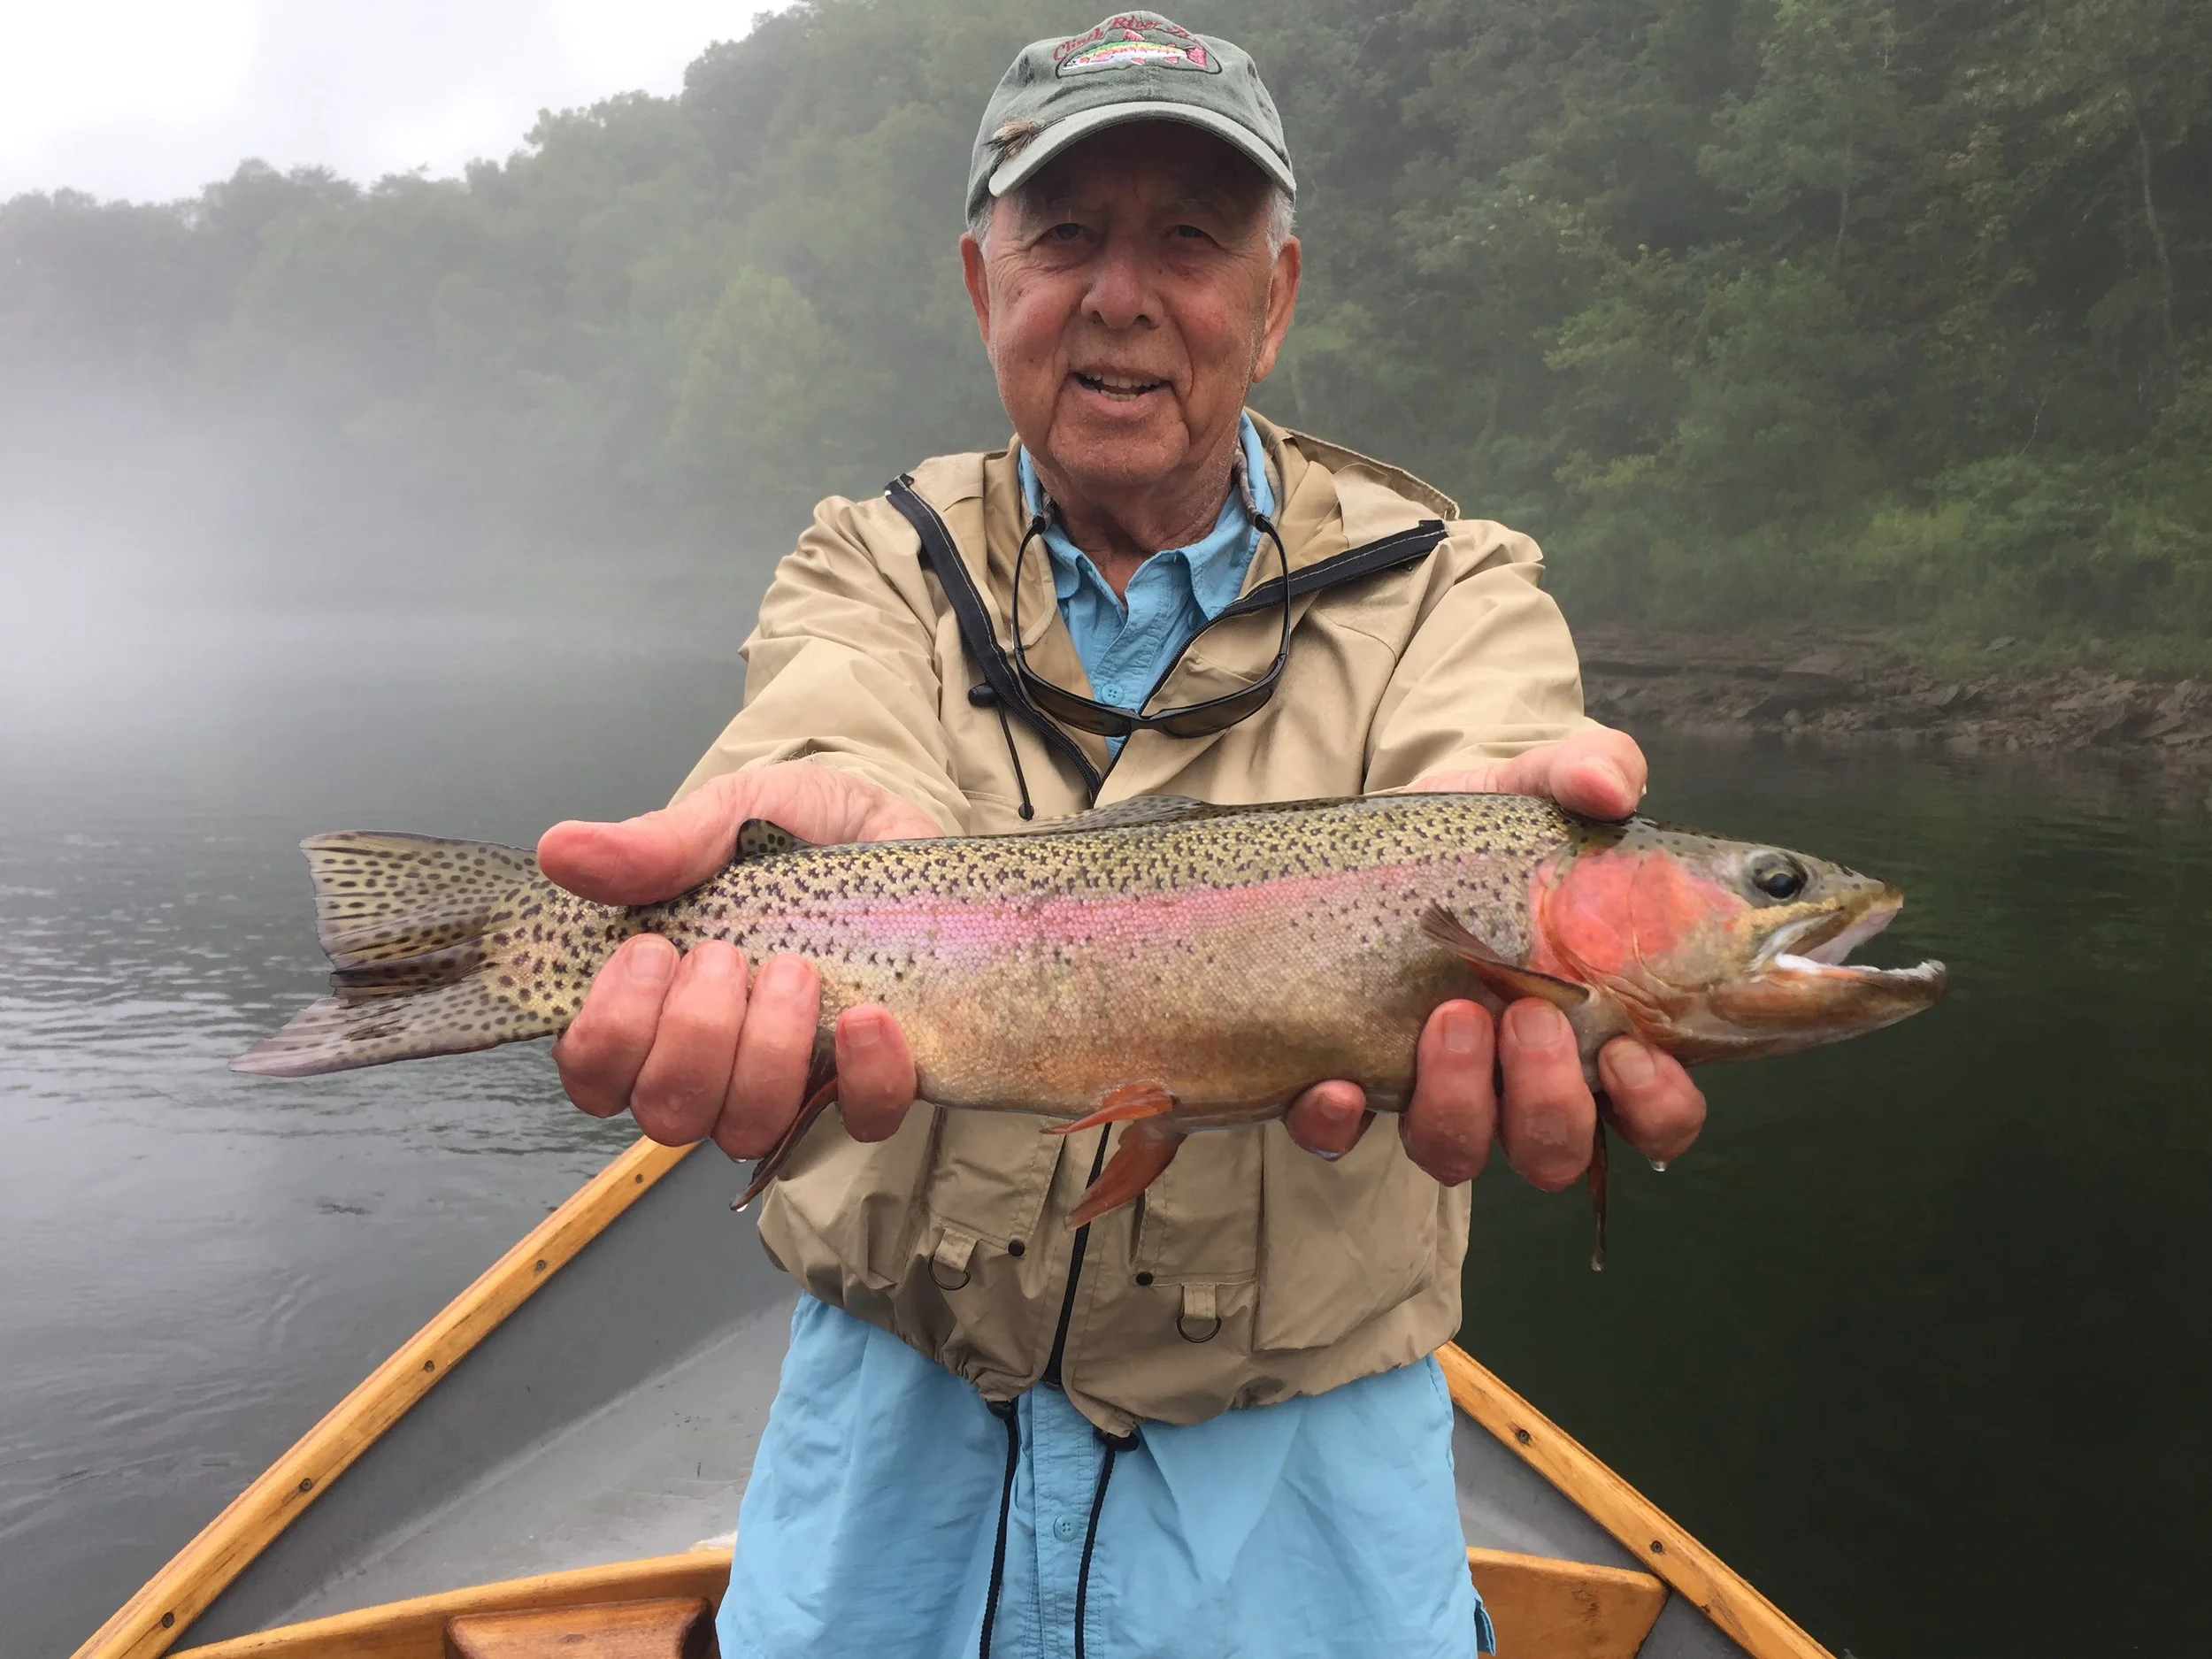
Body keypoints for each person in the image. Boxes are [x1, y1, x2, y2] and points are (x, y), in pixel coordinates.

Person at [539, 15, 1706, 1658]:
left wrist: (1501, 847)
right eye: (1066, 233)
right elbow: (827, 725)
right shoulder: (874, 556)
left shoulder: (1456, 582)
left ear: (1276, 297)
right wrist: (796, 819)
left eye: (1189, 239)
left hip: (1299, 1480)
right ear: (980, 283)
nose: (1121, 294)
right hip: (891, 1442)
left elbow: (1497, 778)